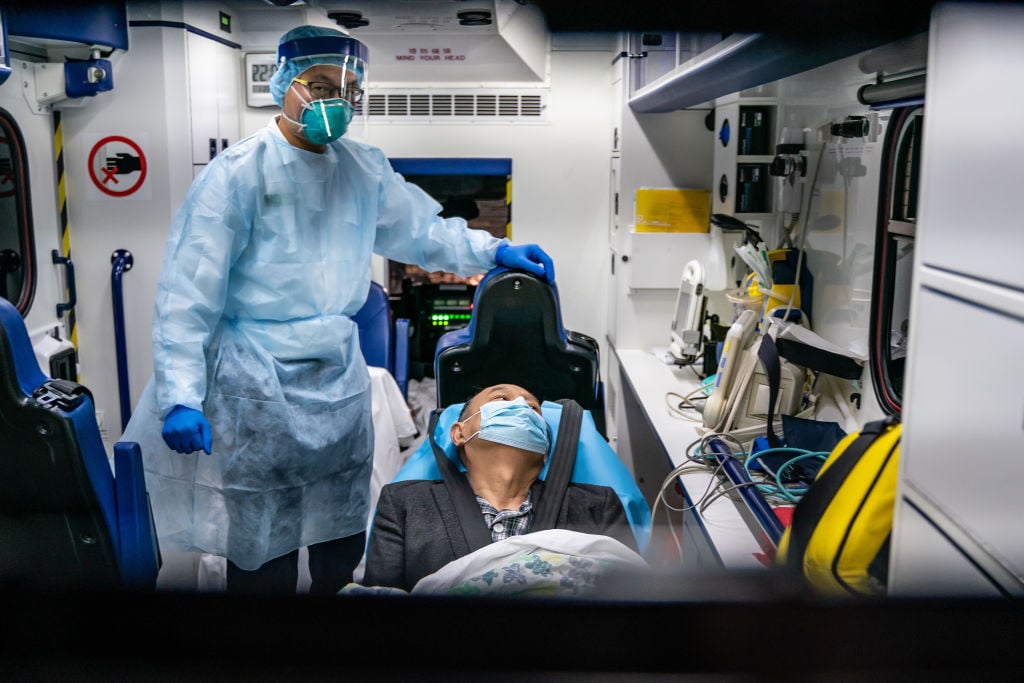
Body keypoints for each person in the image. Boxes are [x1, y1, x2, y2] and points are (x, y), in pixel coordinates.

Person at [121, 26, 554, 595]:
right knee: (263, 542)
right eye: (320, 85)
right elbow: (186, 293)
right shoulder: (237, 173)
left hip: (336, 378)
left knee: (342, 531)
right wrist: (181, 392)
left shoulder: (363, 169)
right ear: (283, 84)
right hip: (257, 380)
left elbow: (422, 232)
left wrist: (493, 248)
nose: (335, 103)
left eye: (348, 91)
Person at [362, 384, 637, 592]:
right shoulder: (404, 503)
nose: (519, 406)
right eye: (500, 399)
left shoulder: (598, 505)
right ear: (459, 433)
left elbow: (631, 595)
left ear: (544, 448)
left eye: (533, 409)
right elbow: (381, 612)